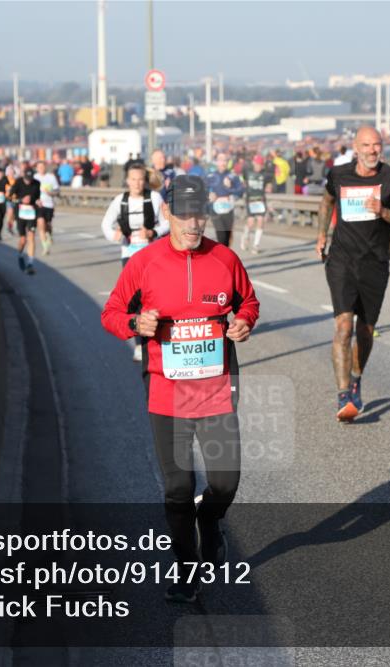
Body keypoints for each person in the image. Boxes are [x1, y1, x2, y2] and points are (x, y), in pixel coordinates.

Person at [101, 175, 260, 603]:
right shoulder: (145, 261)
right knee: (177, 488)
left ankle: (210, 523)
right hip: (166, 393)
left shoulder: (224, 258)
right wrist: (136, 324)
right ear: (167, 212)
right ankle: (186, 569)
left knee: (225, 483)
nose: (194, 223)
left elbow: (248, 302)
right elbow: (112, 312)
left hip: (216, 389)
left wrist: (244, 322)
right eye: (185, 214)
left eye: (200, 214)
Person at [315, 126, 390, 422]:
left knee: (365, 331)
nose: (372, 151)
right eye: (366, 145)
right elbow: (326, 201)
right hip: (342, 260)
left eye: (377, 145)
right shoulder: (339, 174)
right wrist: (321, 235)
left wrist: (382, 211)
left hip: (375, 263)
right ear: (356, 148)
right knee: (344, 327)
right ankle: (344, 395)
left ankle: (356, 377)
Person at [100, 162, 170, 361]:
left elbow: (167, 221)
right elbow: (106, 224)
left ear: (145, 180)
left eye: (140, 179)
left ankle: (162, 338)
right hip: (129, 254)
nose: (137, 183)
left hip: (151, 254)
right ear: (127, 181)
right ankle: (139, 345)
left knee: (156, 296)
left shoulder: (155, 198)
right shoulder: (120, 201)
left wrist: (153, 232)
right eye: (133, 179)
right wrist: (114, 235)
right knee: (135, 299)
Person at [205, 152, 245, 247]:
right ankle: (220, 258)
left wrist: (231, 189)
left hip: (228, 208)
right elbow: (202, 190)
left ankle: (226, 258)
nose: (223, 162)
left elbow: (240, 192)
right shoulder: (211, 176)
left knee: (227, 238)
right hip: (215, 209)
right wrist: (209, 195)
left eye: (225, 160)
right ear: (216, 162)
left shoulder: (233, 176)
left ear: (227, 162)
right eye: (220, 160)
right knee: (221, 236)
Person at [10, 168, 42, 274]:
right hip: (20, 213)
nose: (29, 181)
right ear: (23, 177)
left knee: (31, 236)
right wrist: (21, 200)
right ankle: (19, 254)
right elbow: (10, 197)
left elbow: (37, 197)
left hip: (32, 213)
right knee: (23, 239)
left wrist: (37, 201)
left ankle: (30, 263)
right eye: (27, 179)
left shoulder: (37, 183)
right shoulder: (18, 183)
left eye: (30, 179)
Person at [240, 154, 269, 254]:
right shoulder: (248, 172)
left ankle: (256, 245)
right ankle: (246, 236)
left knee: (261, 220)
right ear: (253, 163)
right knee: (251, 222)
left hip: (260, 200)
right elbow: (243, 180)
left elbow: (268, 185)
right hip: (250, 199)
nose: (258, 166)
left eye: (260, 164)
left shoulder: (265, 174)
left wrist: (268, 188)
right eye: (257, 164)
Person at [34, 160, 59, 255]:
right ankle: (45, 247)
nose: (41, 168)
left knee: (48, 225)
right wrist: (35, 200)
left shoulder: (51, 177)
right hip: (39, 205)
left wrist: (50, 193)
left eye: (42, 167)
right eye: (39, 167)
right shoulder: (34, 178)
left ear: (45, 167)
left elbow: (57, 191)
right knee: (41, 225)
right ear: (36, 168)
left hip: (49, 204)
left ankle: (50, 234)